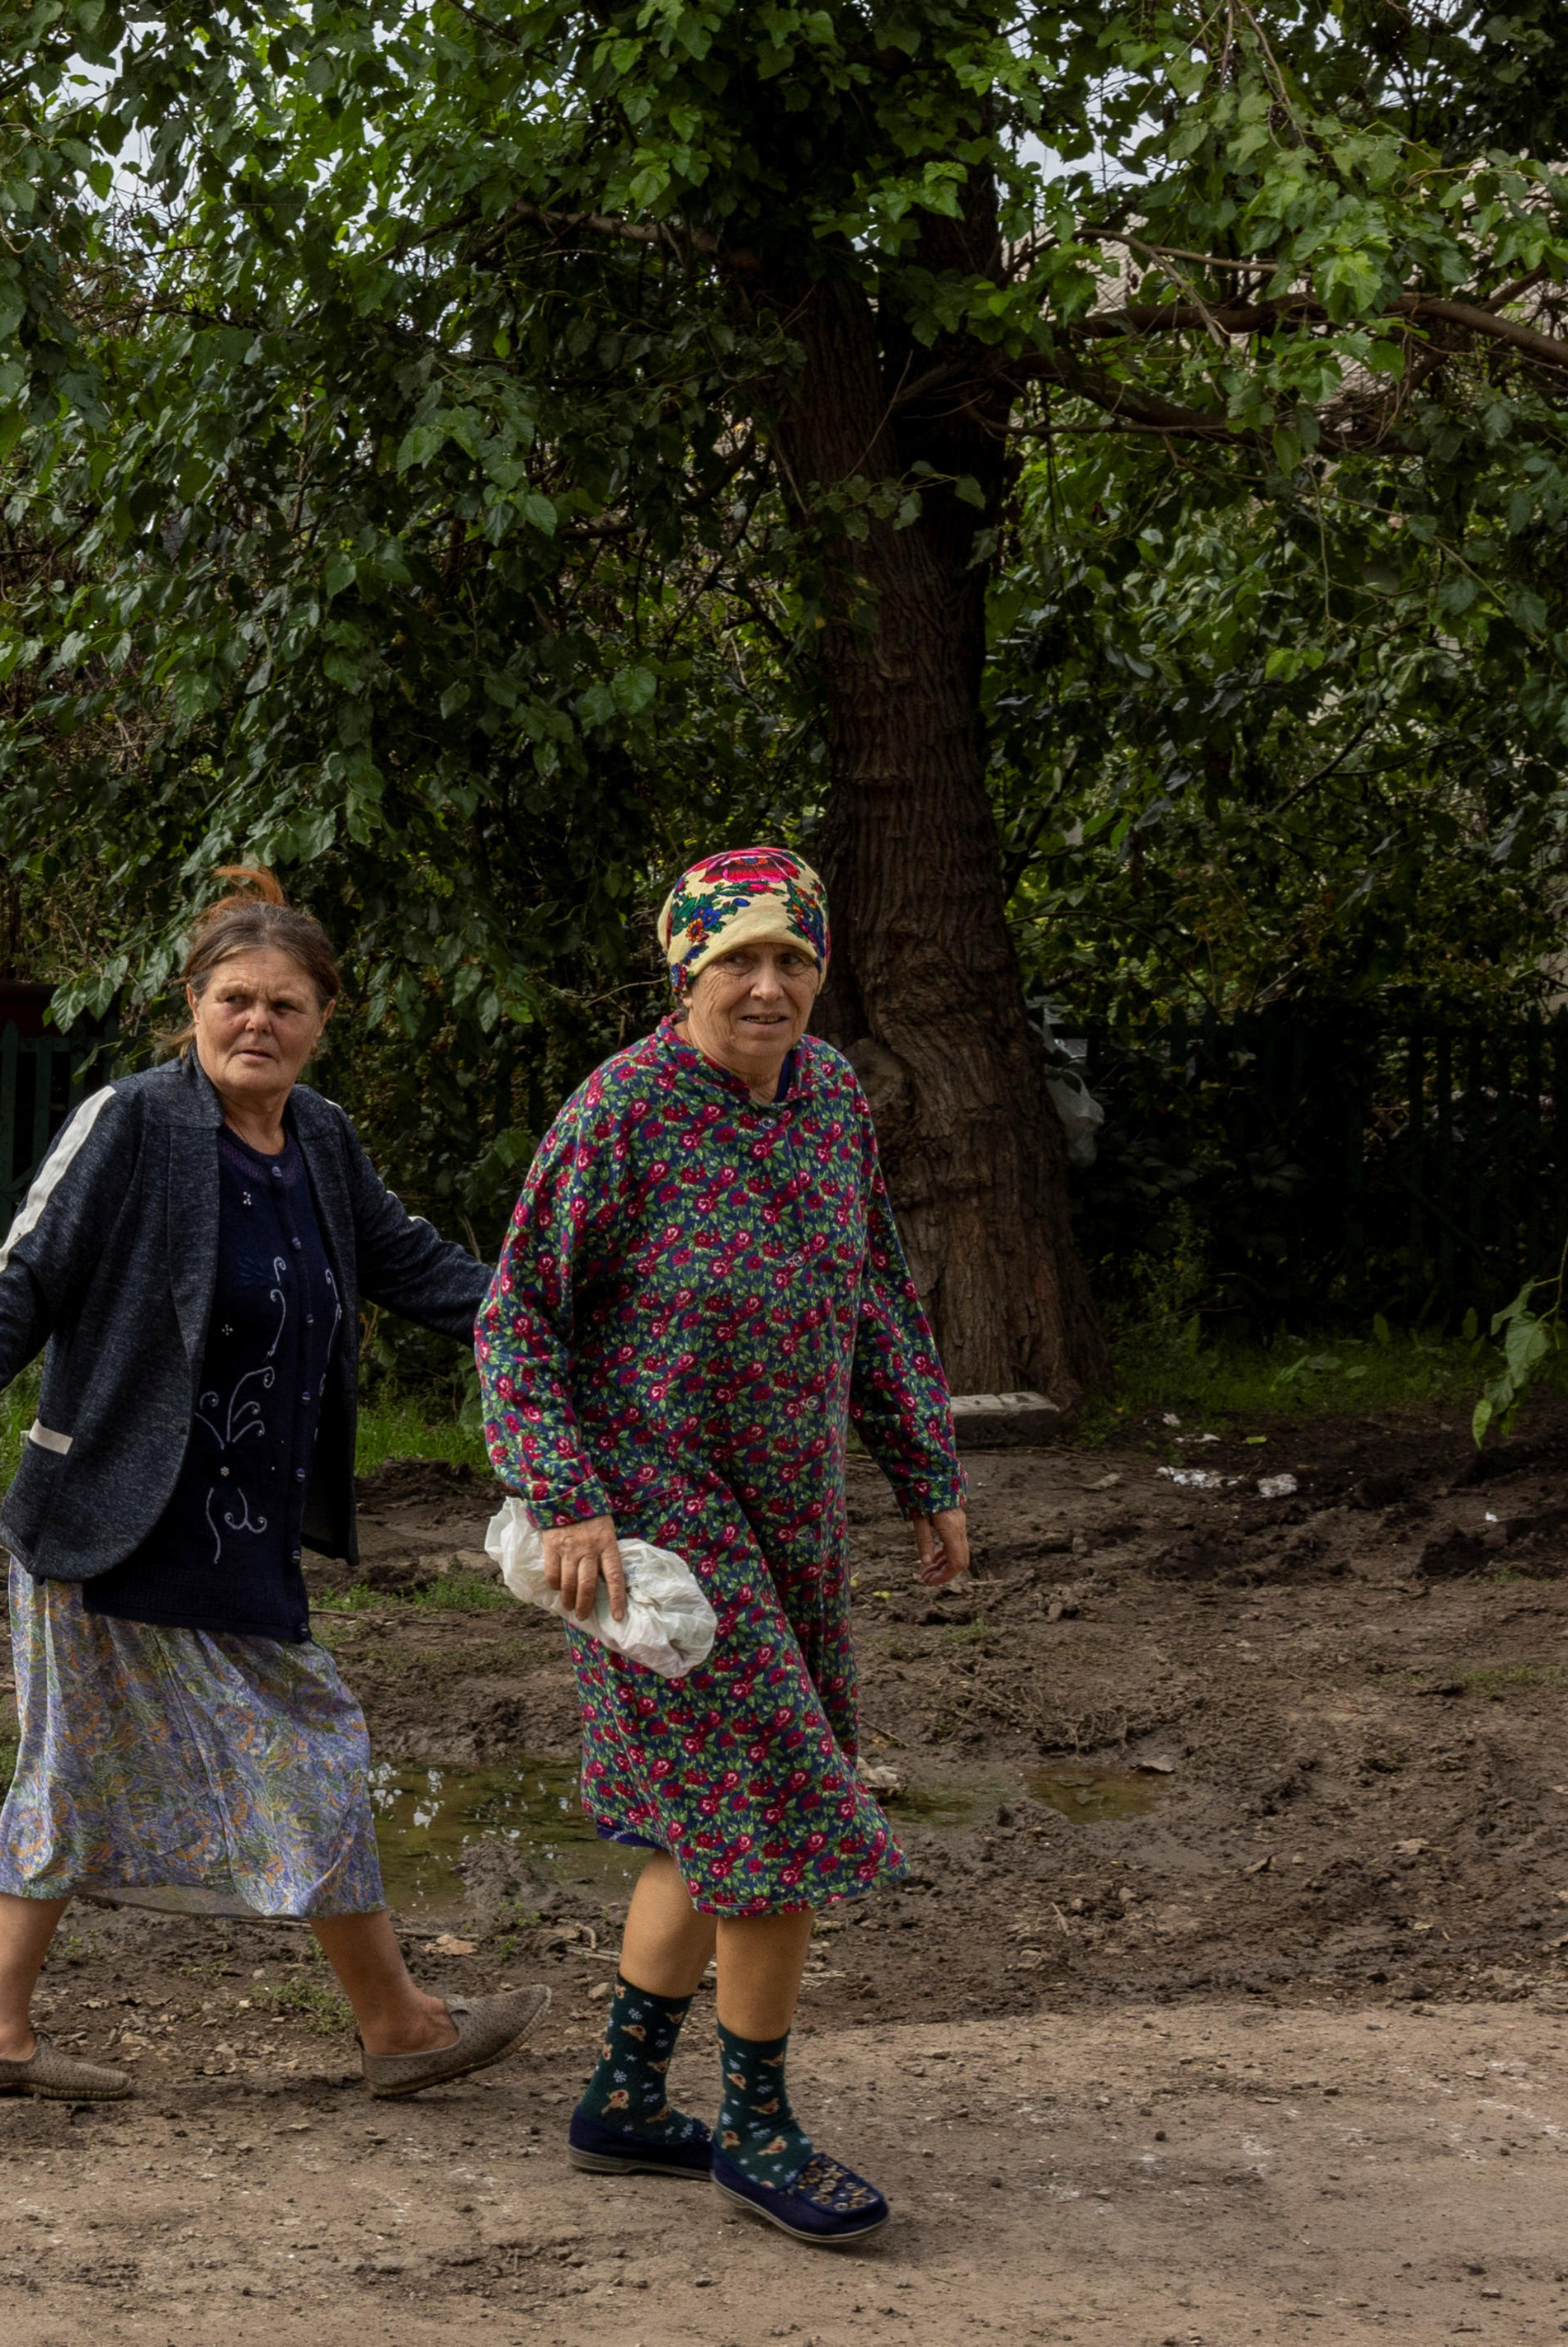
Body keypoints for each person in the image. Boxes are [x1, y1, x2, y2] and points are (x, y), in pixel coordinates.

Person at [0, 868, 544, 2104]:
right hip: (109, 1518)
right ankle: (397, 2021)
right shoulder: (133, 1122)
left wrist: (558, 1322)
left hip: (237, 1531)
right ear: (192, 1002)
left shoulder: (321, 1142)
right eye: (235, 999)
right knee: (286, 1745)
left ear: (323, 1018)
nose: (257, 1024)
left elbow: (417, 1268)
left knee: (98, 1765)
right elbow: (16, 1285)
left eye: (285, 1004)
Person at [473, 844, 972, 2249]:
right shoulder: (621, 1111)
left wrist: (925, 1469)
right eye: (736, 958)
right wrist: (567, 1493)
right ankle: (757, 2126)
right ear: (684, 969)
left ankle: (629, 2095)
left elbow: (873, 1288)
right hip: (660, 1533)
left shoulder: (830, 1103)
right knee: (778, 1812)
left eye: (792, 958)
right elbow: (517, 1319)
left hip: (796, 1518)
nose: (767, 984)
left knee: (716, 1814)